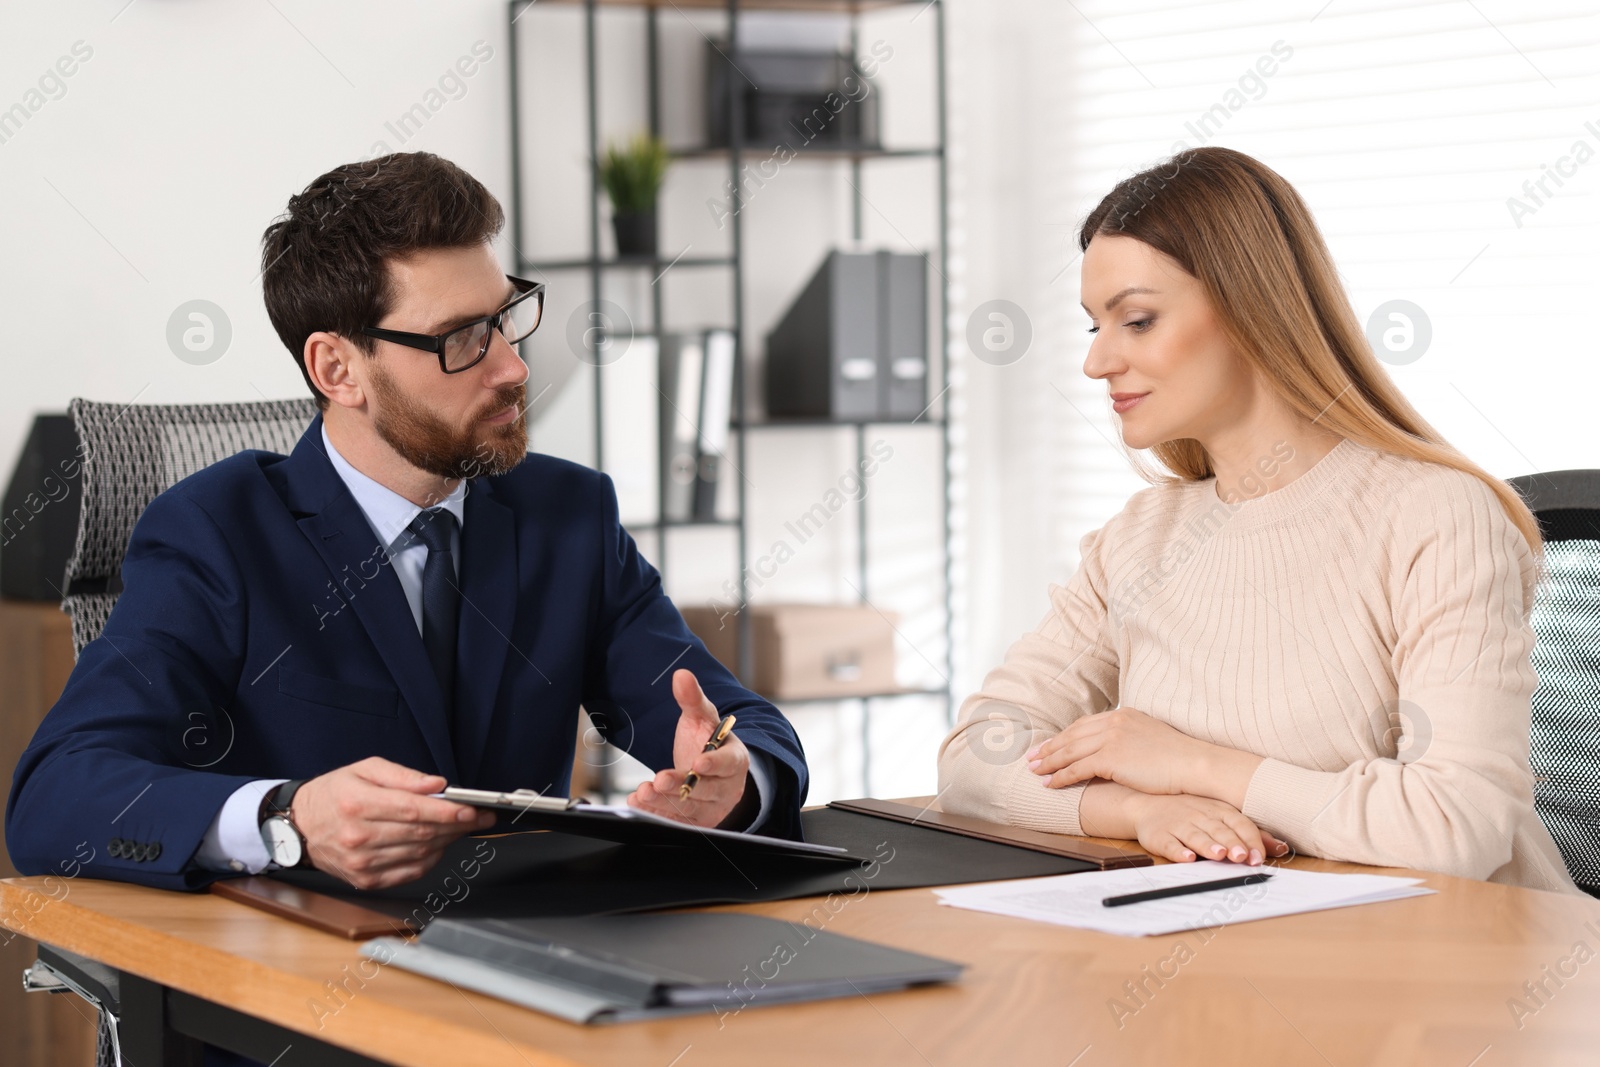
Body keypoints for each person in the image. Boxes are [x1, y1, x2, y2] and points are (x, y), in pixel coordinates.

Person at [7, 152, 809, 897]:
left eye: (506, 317)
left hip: (530, 983)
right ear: (338, 369)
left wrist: (736, 778)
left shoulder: (568, 515)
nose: (512, 367)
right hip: (297, 1007)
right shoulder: (217, 533)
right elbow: (56, 795)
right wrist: (287, 821)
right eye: (460, 338)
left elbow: (742, 729)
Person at [937, 146, 1578, 894]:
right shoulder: (1140, 538)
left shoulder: (1435, 514)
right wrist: (1140, 808)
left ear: (1250, 308)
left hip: (1458, 971)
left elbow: (1454, 826)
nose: (1098, 362)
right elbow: (974, 761)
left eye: (1136, 321)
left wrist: (1192, 764)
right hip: (1257, 951)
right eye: (1093, 328)